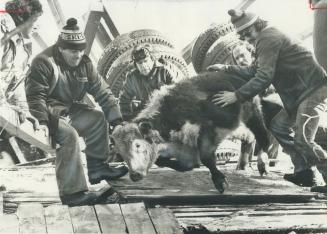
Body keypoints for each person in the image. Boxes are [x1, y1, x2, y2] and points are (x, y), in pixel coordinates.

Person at [210, 9, 327, 192]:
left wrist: (236, 96)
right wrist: (225, 67)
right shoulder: (262, 40)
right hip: (298, 96)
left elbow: (263, 77)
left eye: (247, 33)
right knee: (278, 126)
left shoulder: (267, 38)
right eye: (242, 35)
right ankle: (304, 171)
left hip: (314, 90)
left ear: (257, 25)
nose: (246, 38)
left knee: (303, 138)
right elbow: (253, 71)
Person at [25, 18, 128, 206]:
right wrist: (42, 122)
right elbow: (35, 97)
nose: (78, 55)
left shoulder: (85, 64)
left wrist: (117, 121)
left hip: (69, 108)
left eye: (81, 50)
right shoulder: (43, 62)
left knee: (98, 119)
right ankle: (73, 194)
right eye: (73, 51)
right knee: (69, 135)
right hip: (48, 110)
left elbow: (102, 91)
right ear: (61, 48)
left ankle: (97, 167)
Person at [1, 0, 42, 122]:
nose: (35, 26)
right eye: (34, 20)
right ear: (20, 17)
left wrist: (24, 110)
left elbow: (16, 83)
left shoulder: (22, 46)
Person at [119, 44, 176, 121]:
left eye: (145, 61)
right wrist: (128, 120)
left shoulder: (164, 71)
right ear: (136, 65)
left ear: (152, 60)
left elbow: (177, 92)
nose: (143, 65)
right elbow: (124, 101)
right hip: (147, 115)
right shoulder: (132, 78)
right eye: (140, 63)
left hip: (167, 110)